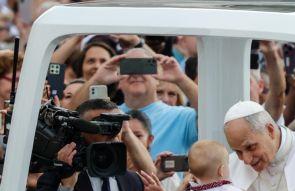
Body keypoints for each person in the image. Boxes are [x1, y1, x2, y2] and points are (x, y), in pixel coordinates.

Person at [68, 47, 198, 158]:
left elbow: (213, 114)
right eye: (129, 67)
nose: (135, 74)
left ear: (157, 78)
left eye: (143, 67)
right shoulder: (107, 116)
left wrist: (181, 79)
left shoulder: (182, 116)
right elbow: (71, 115)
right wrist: (97, 79)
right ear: (118, 80)